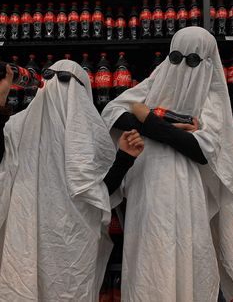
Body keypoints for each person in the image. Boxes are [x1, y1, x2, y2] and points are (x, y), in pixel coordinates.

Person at [102, 26, 233, 302]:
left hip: (189, 192)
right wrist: (172, 126)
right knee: (148, 263)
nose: (181, 67)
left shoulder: (211, 97)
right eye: (175, 58)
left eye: (192, 60)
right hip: (147, 186)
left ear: (207, 61)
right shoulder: (157, 80)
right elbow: (112, 112)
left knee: (187, 261)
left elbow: (202, 149)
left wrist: (147, 117)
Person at [0, 59, 144, 302]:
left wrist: (124, 158)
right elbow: (100, 193)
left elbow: (98, 194)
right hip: (42, 239)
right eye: (52, 78)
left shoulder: (92, 137)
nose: (59, 86)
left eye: (66, 80)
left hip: (70, 244)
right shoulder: (16, 128)